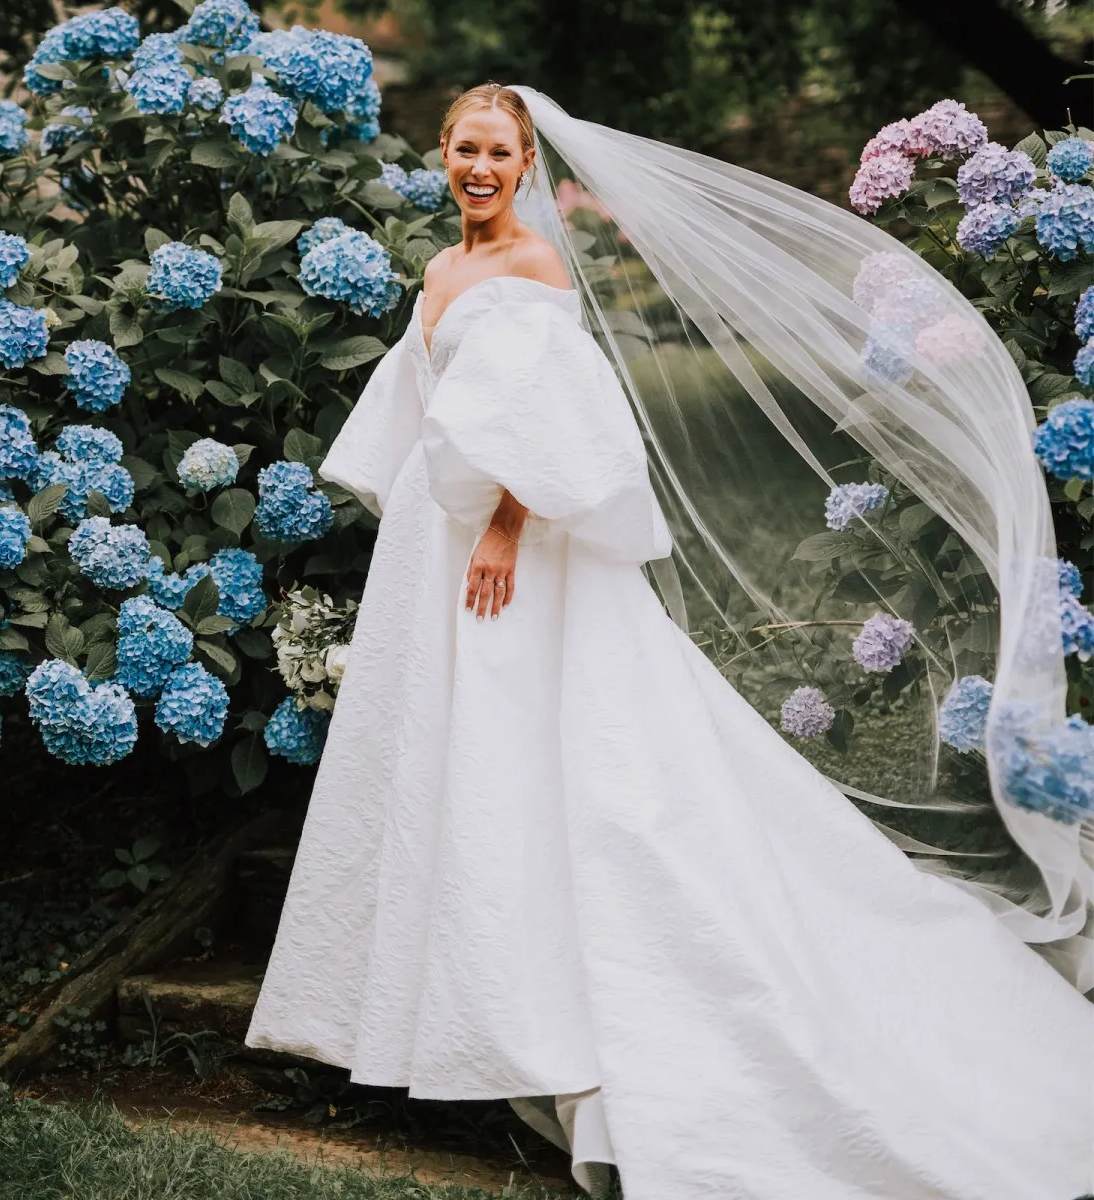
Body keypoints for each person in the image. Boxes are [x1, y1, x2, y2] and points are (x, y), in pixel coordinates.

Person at [245, 83, 1094, 1199]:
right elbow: (426, 404)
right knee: (451, 752)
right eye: (464, 149)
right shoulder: (444, 273)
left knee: (542, 752)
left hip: (514, 556)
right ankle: (430, 1002)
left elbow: (561, 430)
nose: (481, 167)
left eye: (499, 151)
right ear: (442, 154)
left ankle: (553, 1001)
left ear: (525, 161)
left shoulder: (536, 276)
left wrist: (502, 526)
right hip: (435, 553)